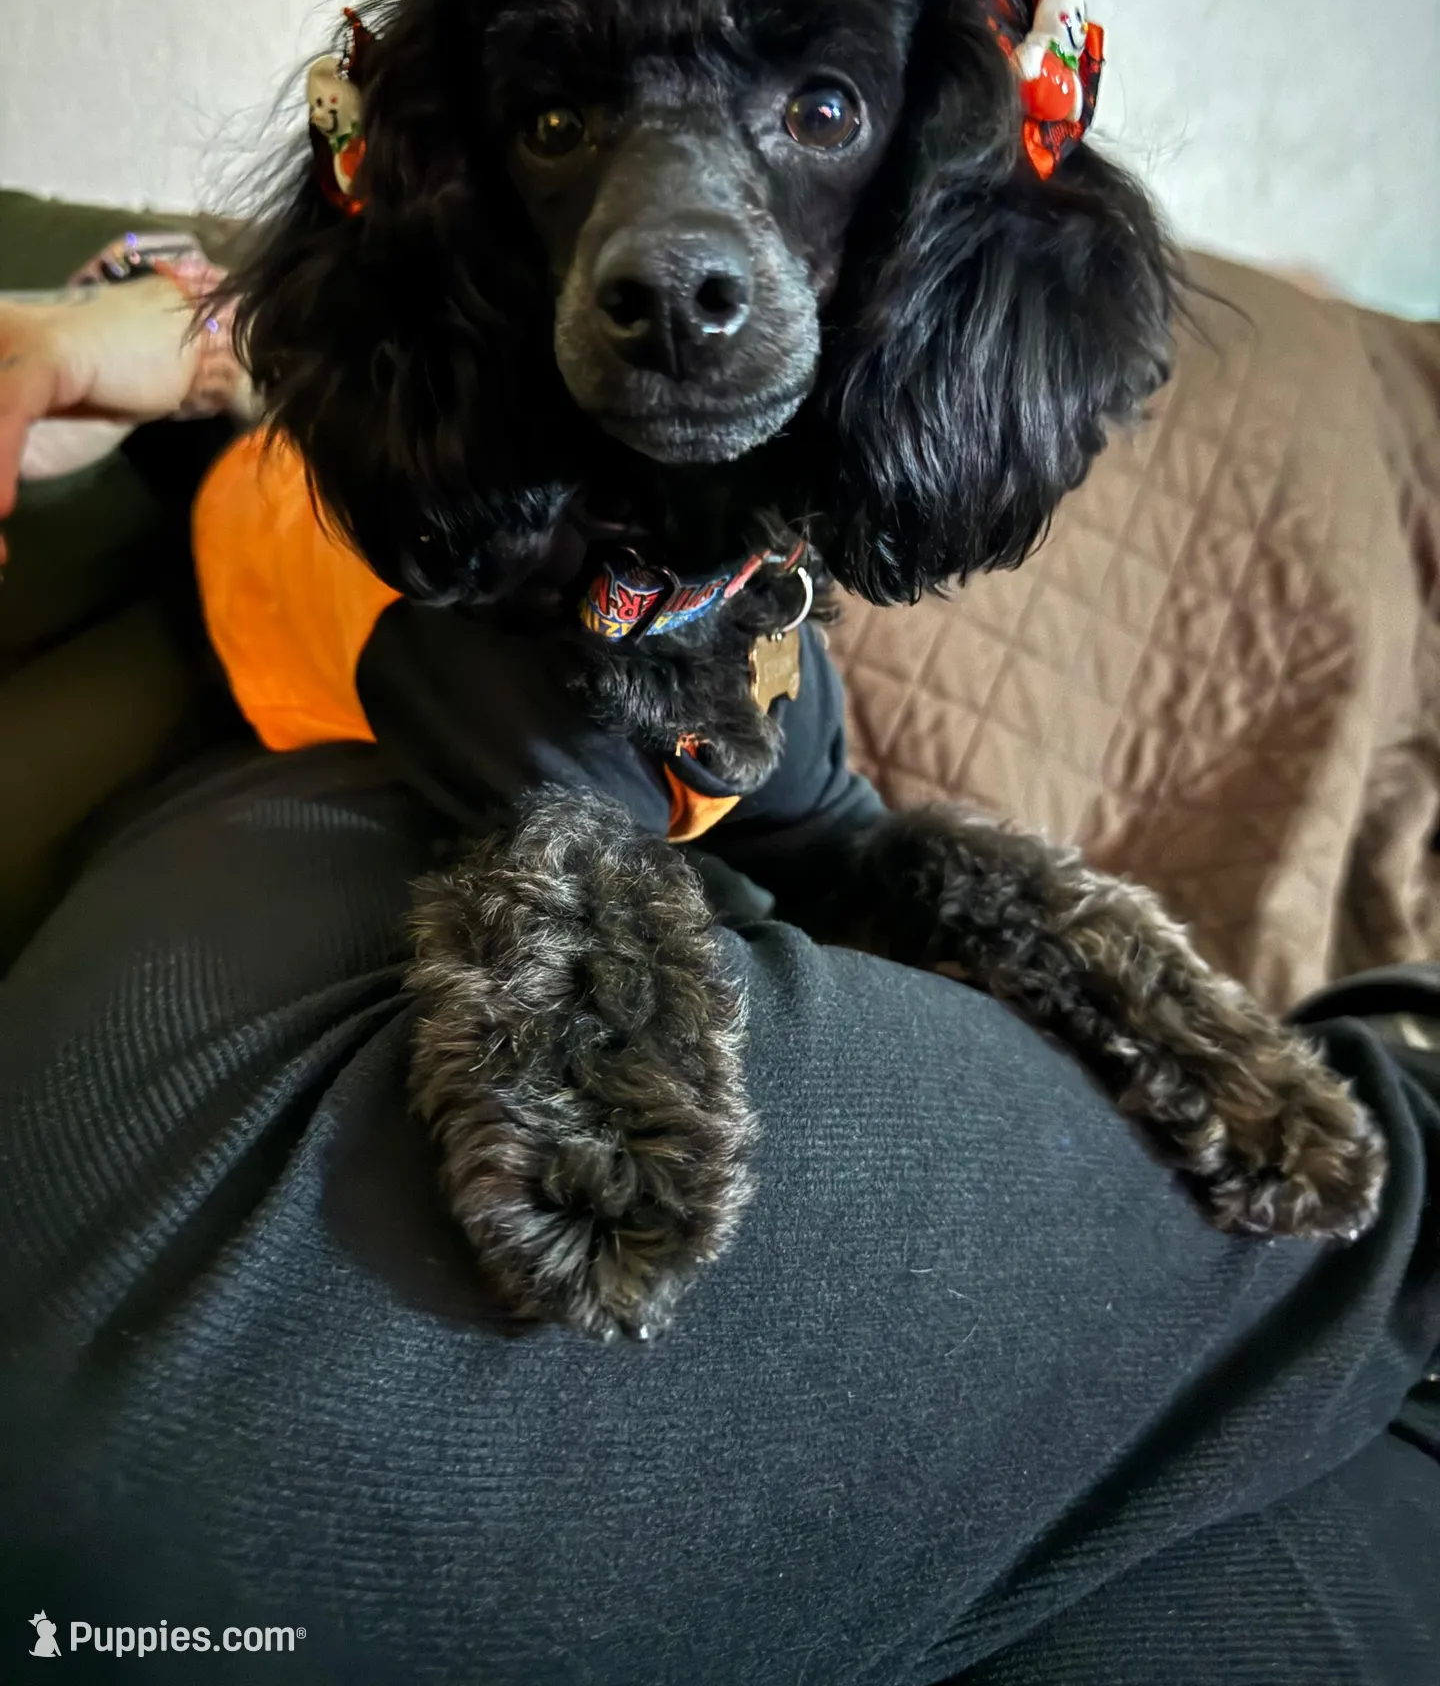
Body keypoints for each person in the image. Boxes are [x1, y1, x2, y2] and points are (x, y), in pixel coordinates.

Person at [0, 274, 1437, 1685]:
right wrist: (173, 326)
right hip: (323, 811)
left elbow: (836, 832)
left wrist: (163, 314)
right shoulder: (423, 520)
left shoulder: (759, 605)